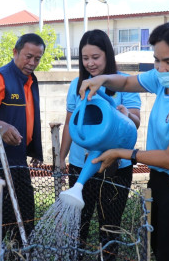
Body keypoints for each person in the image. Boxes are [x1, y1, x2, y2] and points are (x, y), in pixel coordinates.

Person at [79, 20, 169, 261]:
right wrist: (102, 80)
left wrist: (122, 153)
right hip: (161, 176)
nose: (160, 68)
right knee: (157, 245)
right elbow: (125, 82)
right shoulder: (165, 78)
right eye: (156, 59)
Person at [59, 29, 141, 260]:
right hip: (80, 163)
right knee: (79, 221)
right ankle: (76, 256)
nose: (90, 63)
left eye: (96, 57)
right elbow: (69, 123)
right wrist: (60, 157)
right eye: (85, 58)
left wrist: (125, 114)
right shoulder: (77, 84)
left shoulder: (124, 83)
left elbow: (135, 122)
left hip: (116, 165)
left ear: (107, 55)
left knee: (110, 224)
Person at [0, 33, 45, 246]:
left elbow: (30, 117)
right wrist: (2, 126)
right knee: (2, 218)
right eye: (28, 56)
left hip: (17, 158)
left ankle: (18, 252)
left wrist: (35, 150)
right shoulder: (0, 77)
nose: (32, 62)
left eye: (37, 58)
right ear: (15, 52)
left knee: (24, 215)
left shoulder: (31, 80)